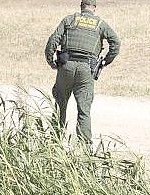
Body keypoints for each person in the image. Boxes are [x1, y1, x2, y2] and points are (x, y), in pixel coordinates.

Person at [44, 0, 120, 145]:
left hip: (66, 66)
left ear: (81, 6)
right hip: (87, 69)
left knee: (60, 105)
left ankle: (54, 144)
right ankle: (84, 150)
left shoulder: (70, 19)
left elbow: (53, 40)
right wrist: (104, 62)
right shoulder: (100, 24)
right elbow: (116, 43)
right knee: (84, 110)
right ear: (94, 8)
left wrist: (51, 61)